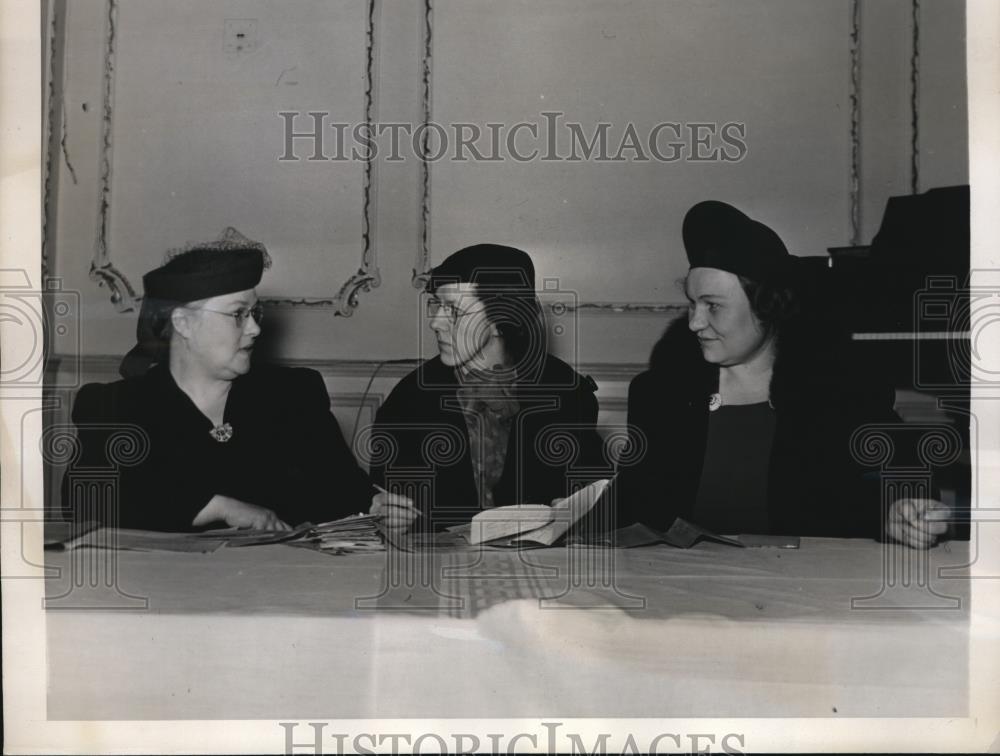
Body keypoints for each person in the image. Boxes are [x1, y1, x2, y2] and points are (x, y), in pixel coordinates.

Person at [615, 201, 950, 547]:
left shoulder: (836, 391)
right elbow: (633, 506)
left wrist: (896, 512)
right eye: (692, 303)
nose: (695, 322)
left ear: (766, 306)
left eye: (713, 306)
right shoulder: (659, 394)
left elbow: (897, 477)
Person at [63, 229, 372, 532]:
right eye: (238, 314)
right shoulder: (116, 407)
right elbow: (85, 502)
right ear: (183, 323)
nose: (254, 329)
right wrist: (216, 508)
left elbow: (343, 492)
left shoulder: (292, 396)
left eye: (255, 313)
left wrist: (374, 505)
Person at [368, 243, 606, 531]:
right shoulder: (409, 399)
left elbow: (595, 494)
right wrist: (389, 514)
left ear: (500, 319)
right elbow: (390, 503)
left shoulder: (566, 392)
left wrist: (579, 509)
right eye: (435, 304)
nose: (435, 321)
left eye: (453, 310)